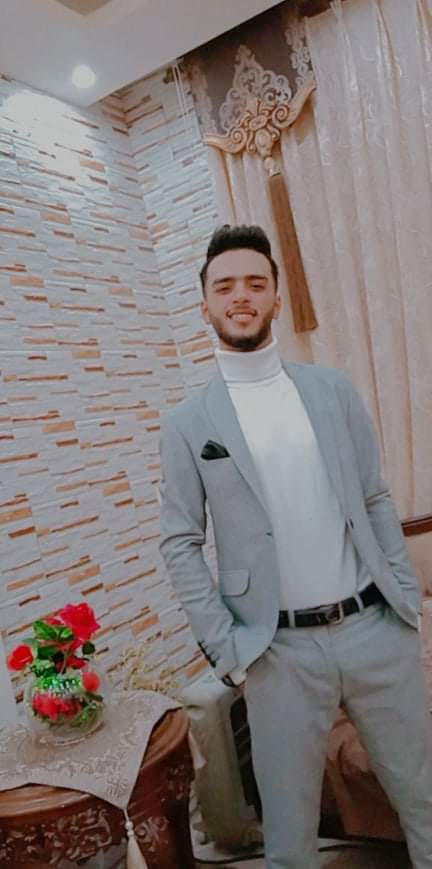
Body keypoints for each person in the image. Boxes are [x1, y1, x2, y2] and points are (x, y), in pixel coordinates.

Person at [158, 224, 432, 869]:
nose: (241, 296)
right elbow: (180, 541)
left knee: (425, 802)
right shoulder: (187, 424)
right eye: (225, 286)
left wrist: (404, 598)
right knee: (288, 841)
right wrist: (229, 651)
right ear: (205, 305)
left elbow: (374, 497)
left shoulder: (331, 391)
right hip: (276, 652)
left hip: (373, 628)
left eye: (256, 283)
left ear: (276, 298)